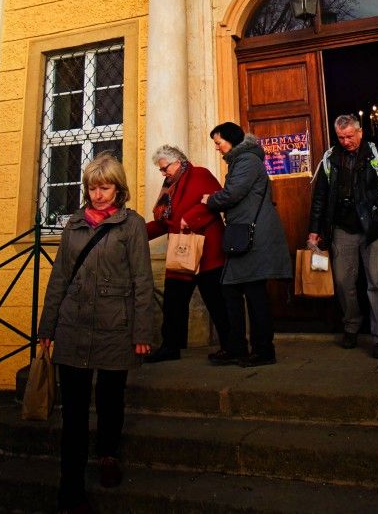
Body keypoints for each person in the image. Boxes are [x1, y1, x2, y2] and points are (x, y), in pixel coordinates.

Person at [38, 153, 153, 514]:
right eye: (93, 188)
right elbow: (59, 277)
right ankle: (69, 486)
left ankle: (107, 454)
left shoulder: (131, 225)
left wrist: (142, 330)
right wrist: (47, 326)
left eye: (105, 187)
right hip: (73, 324)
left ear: (119, 189)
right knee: (72, 412)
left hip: (115, 325)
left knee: (110, 398)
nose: (98, 195)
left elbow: (142, 280)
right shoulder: (74, 224)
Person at [307, 114, 378, 360]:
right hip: (342, 229)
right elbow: (319, 198)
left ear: (360, 132)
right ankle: (351, 325)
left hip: (374, 230)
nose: (346, 141)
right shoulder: (330, 158)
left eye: (350, 136)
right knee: (342, 281)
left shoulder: (377, 155)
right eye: (341, 137)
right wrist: (314, 230)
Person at [202, 122, 292, 367]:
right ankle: (237, 347)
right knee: (231, 290)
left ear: (231, 140)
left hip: (254, 238)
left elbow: (232, 194)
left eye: (219, 142)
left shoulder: (247, 161)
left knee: (254, 293)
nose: (217, 148)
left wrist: (210, 200)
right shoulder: (240, 161)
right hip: (243, 236)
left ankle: (263, 351)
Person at [144, 145, 230, 362]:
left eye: (164, 168)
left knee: (217, 301)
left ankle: (231, 346)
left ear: (178, 162)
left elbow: (217, 200)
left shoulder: (200, 174)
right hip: (181, 252)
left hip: (207, 252)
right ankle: (170, 347)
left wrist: (190, 218)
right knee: (173, 301)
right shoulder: (169, 187)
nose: (163, 173)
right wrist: (137, 233)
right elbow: (163, 222)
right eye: (160, 170)